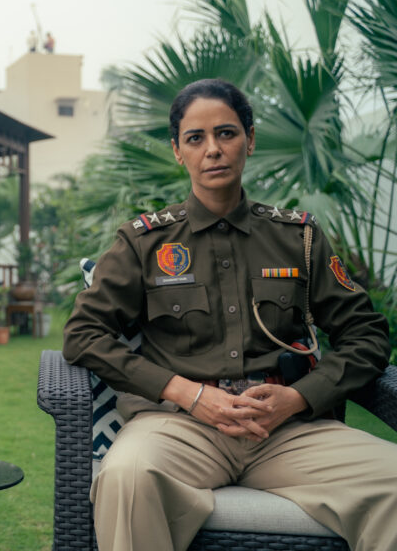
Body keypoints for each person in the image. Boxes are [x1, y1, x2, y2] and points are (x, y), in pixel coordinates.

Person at [63, 78, 397, 551]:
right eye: (195, 138)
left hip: (286, 430)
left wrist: (298, 398)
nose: (213, 149)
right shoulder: (144, 242)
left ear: (250, 139)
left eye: (226, 133)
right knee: (127, 476)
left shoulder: (297, 238)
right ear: (178, 151)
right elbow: (83, 334)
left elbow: (367, 334)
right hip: (181, 428)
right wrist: (188, 393)